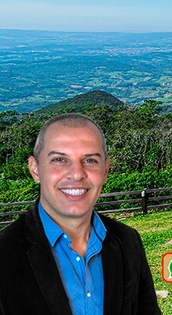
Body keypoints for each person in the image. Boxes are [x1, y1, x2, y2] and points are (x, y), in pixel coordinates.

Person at [0, 113, 162, 315]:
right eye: (59, 159)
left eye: (90, 160)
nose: (77, 174)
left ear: (105, 170)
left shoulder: (128, 241)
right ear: (35, 169)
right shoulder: (4, 254)